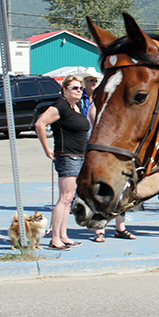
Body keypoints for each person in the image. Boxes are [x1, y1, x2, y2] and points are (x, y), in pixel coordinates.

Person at [35, 75, 89, 250]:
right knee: (64, 198)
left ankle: (64, 235)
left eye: (80, 88)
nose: (79, 91)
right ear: (64, 90)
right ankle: (55, 238)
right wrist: (46, 148)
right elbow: (40, 124)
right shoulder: (60, 106)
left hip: (79, 156)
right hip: (67, 156)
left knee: (70, 199)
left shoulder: (76, 107)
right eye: (74, 88)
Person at [84, 88, 137, 243]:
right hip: (103, 152)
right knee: (102, 191)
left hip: (121, 153)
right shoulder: (97, 107)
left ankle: (120, 228)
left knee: (123, 193)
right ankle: (99, 229)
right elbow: (98, 124)